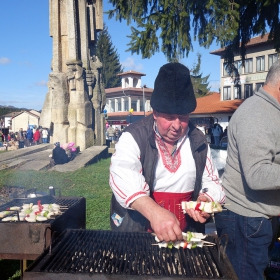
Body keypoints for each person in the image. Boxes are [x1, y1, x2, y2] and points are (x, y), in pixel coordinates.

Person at [109, 62, 225, 241]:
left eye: (183, 117)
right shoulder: (134, 136)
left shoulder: (198, 139)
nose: (177, 126)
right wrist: (155, 213)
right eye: (170, 117)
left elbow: (212, 181)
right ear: (155, 113)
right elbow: (122, 177)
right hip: (140, 232)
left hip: (186, 233)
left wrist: (205, 199)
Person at [215, 60, 280, 280]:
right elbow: (256, 174)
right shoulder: (257, 114)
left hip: (256, 218)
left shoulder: (270, 111)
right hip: (245, 220)